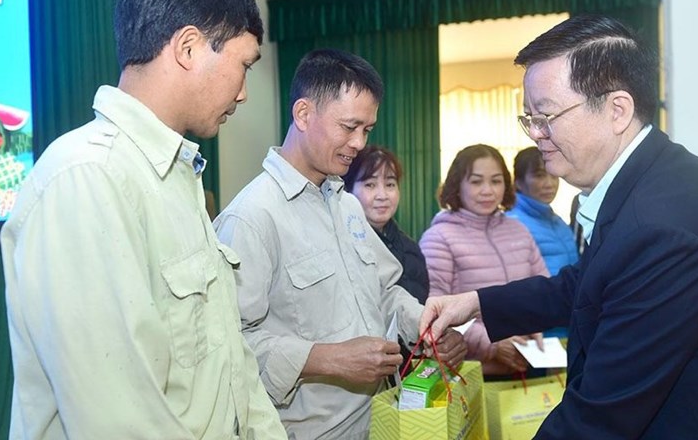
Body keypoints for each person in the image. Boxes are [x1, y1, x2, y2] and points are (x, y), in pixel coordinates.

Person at [420, 14, 698, 439]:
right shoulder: (655, 176)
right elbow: (590, 283)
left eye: (546, 115)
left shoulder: (661, 227)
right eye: (529, 118)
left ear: (617, 109)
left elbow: (599, 418)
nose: (535, 133)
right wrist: (478, 302)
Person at [1, 0, 285, 439]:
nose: (243, 93)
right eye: (243, 65)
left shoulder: (176, 174)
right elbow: (118, 421)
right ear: (189, 47)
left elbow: (230, 364)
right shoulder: (88, 178)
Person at [214, 48, 466, 440]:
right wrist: (327, 359)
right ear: (303, 114)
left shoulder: (347, 205)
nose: (359, 143)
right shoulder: (251, 217)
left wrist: (427, 330)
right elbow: (228, 348)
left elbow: (384, 291)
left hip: (381, 417)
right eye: (349, 126)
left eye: (367, 129)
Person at [419, 143, 549, 379]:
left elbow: (544, 290)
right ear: (457, 185)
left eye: (496, 181)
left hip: (528, 365)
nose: (487, 190)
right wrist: (493, 344)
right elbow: (434, 313)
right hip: (473, 375)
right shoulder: (439, 238)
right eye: (476, 181)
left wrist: (534, 329)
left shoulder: (519, 230)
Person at [343, 144, 429, 304]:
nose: (382, 196)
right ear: (348, 190)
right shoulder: (343, 247)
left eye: (390, 184)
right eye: (370, 184)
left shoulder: (411, 248)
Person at [506, 146, 578, 276]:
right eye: (539, 176)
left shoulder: (557, 221)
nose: (549, 184)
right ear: (518, 182)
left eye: (554, 176)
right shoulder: (512, 225)